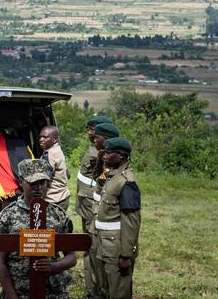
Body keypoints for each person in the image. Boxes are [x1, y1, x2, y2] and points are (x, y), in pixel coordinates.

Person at [0, 159, 76, 299]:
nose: (38, 188)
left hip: (52, 292)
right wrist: (12, 296)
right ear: (21, 182)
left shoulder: (58, 214)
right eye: (32, 183)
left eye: (42, 182)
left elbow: (72, 257)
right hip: (19, 291)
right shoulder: (7, 216)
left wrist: (53, 266)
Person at [93, 137, 141, 299]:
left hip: (117, 250)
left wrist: (126, 254)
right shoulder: (111, 175)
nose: (104, 155)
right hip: (105, 244)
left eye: (109, 152)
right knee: (105, 289)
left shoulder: (127, 182)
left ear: (121, 156)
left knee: (119, 292)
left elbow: (131, 221)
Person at [76, 116, 112, 299]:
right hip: (86, 203)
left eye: (94, 130)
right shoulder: (94, 149)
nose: (90, 133)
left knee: (93, 247)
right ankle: (91, 288)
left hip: (93, 206)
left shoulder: (105, 154)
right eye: (89, 129)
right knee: (88, 246)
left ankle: (97, 289)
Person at [38, 125, 70, 211]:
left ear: (55, 139)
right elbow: (67, 173)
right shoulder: (57, 149)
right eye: (40, 137)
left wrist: (38, 199)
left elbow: (44, 180)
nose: (41, 139)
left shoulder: (50, 154)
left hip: (53, 200)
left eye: (45, 137)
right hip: (63, 196)